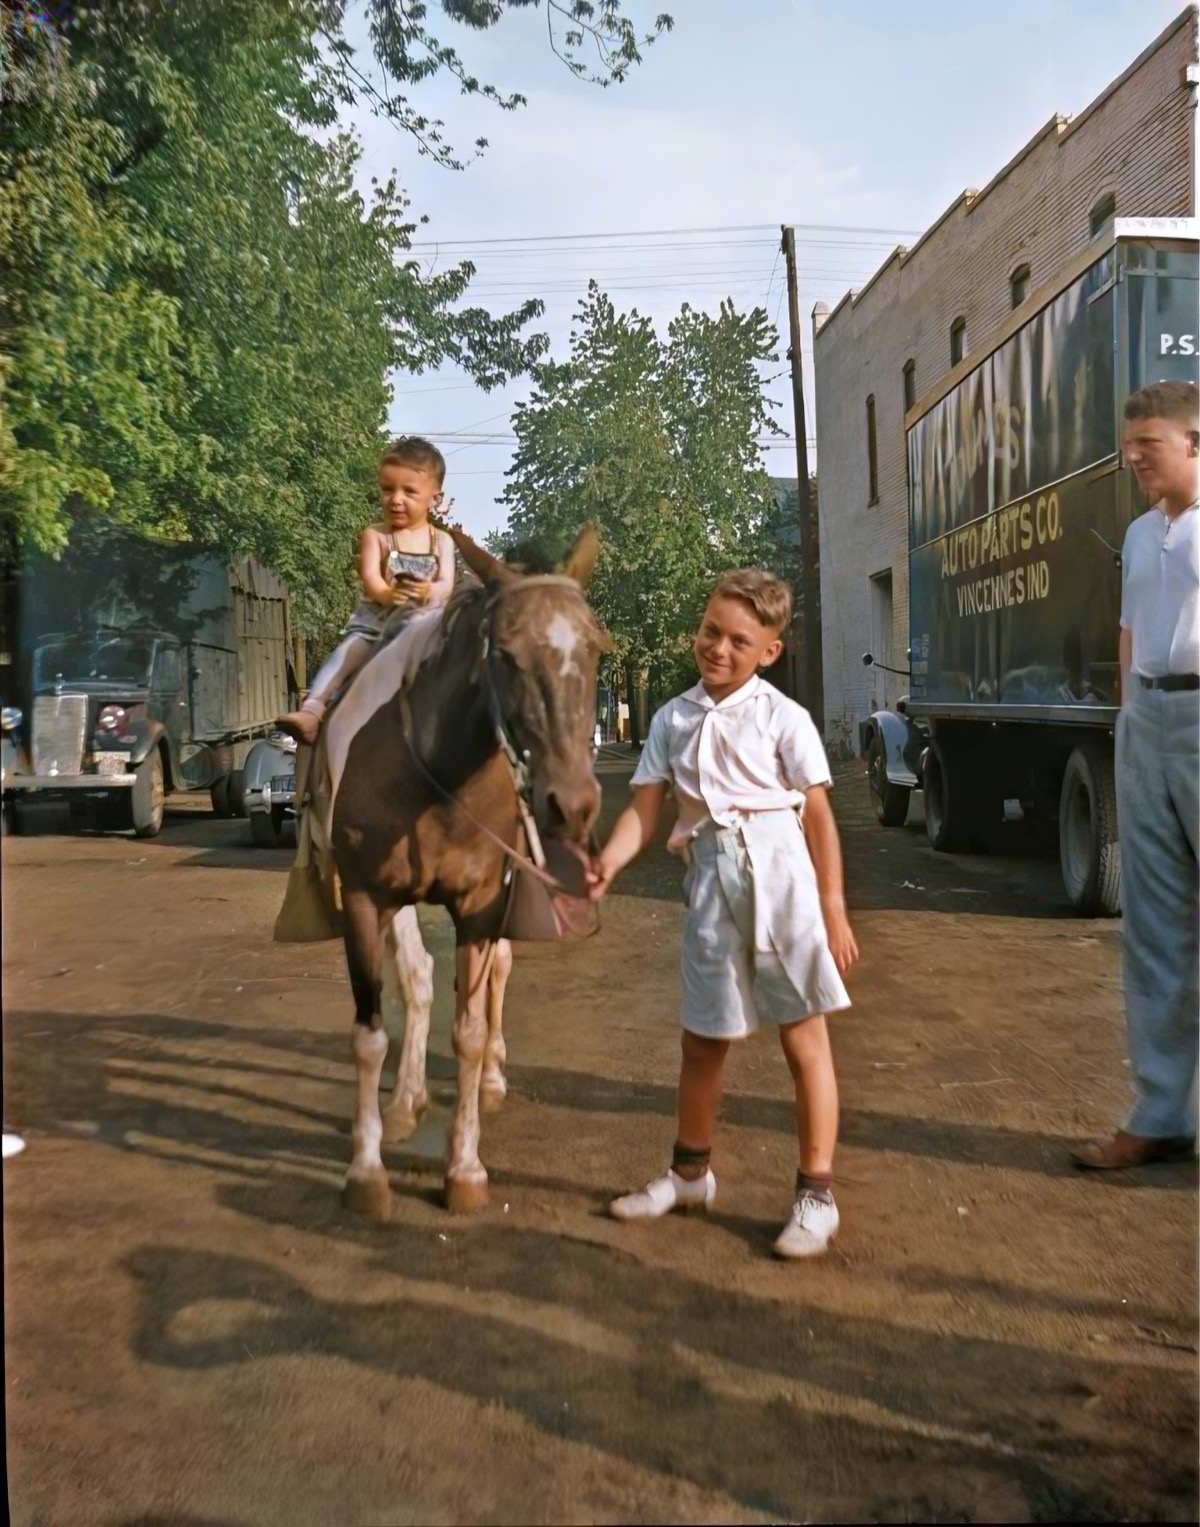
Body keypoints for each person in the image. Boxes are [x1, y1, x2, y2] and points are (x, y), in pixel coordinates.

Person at [587, 569, 858, 1258]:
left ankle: (816, 1194)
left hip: (781, 879)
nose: (719, 648)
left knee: (803, 1035)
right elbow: (645, 808)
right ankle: (688, 1174)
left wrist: (832, 906)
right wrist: (609, 863)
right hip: (708, 877)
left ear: (769, 651)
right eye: (711, 631)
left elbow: (818, 815)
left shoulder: (782, 717)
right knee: (703, 1039)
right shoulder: (672, 717)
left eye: (740, 640)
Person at [1074, 380, 1199, 1171]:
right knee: (1153, 926)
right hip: (1148, 722)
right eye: (1130, 445)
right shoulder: (1138, 531)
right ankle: (1160, 1111)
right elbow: (1128, 630)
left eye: (1148, 445)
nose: (1133, 459)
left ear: (1194, 442)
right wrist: (1129, 713)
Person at [276, 437, 457, 746]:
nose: (396, 499)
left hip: (426, 626)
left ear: (434, 499)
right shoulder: (376, 535)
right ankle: (313, 709)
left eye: (409, 491)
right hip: (378, 625)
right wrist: (388, 594)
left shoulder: (442, 541)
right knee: (346, 653)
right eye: (388, 489)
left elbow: (447, 585)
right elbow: (371, 578)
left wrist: (429, 591)